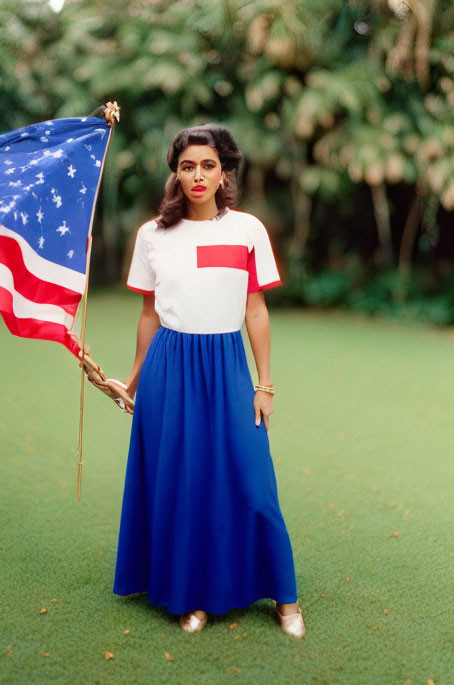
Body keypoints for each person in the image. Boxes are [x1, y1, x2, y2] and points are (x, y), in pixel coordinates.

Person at [112, 125, 305, 637]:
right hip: (169, 368)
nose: (198, 176)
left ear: (225, 173)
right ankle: (190, 596)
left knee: (254, 480)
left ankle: (285, 598)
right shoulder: (152, 235)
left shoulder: (246, 230)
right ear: (175, 173)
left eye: (208, 166)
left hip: (227, 365)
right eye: (187, 166)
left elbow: (256, 311)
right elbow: (150, 315)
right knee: (183, 485)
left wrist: (265, 385)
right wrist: (132, 380)